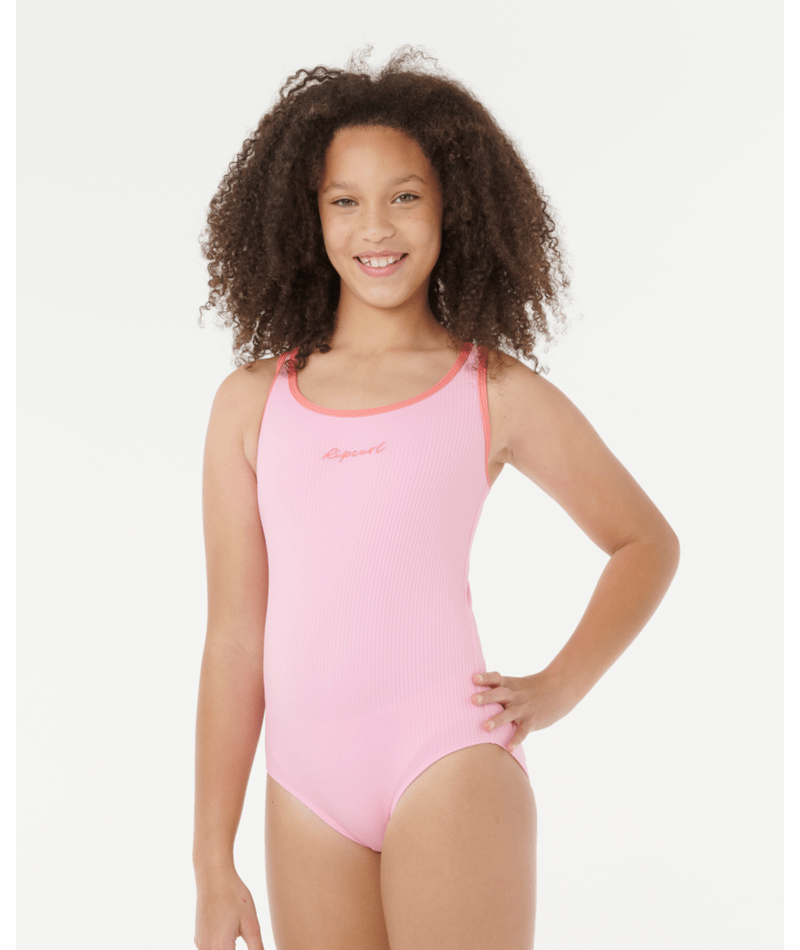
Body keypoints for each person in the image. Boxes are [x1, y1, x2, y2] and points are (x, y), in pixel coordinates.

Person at [192, 45, 680, 950]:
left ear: (453, 206)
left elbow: (646, 542)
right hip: (304, 789)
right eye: (345, 201)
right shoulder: (251, 403)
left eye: (405, 196)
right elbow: (233, 641)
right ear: (307, 216)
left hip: (447, 761)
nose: (376, 227)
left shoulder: (492, 389)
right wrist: (211, 860)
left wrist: (559, 687)